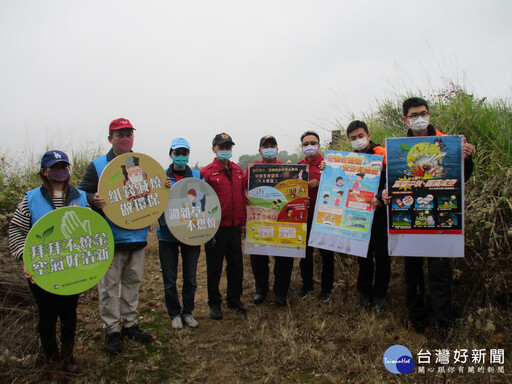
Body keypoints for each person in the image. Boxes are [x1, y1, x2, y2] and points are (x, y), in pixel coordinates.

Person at [399, 97, 474, 342]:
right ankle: (417, 315)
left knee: (439, 269)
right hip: (408, 216)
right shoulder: (397, 147)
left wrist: (465, 158)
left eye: (423, 113)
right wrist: (386, 195)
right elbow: (390, 180)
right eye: (413, 115)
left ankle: (443, 321)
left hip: (440, 216)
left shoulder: (448, 143)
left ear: (429, 115)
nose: (419, 118)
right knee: (412, 269)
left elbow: (461, 179)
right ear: (405, 119)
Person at [9, 150, 88, 380]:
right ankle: (52, 360)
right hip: (41, 270)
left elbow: (92, 230)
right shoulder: (31, 198)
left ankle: (68, 356)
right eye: (54, 166)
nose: (60, 170)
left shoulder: (79, 196)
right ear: (44, 171)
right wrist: (24, 259)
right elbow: (17, 230)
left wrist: (99, 259)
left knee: (69, 314)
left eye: (64, 166)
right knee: (47, 316)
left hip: (72, 268)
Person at [78, 118, 154, 354]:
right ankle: (112, 330)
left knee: (133, 282)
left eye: (128, 133)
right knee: (109, 287)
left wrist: (164, 185)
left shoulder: (144, 163)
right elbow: (81, 194)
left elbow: (154, 192)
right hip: (110, 238)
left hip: (138, 236)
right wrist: (93, 200)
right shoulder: (98, 165)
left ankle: (130, 324)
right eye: (120, 134)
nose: (125, 138)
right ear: (110, 138)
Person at [345, 120, 391, 311]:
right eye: (353, 138)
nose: (358, 140)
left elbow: (393, 179)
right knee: (362, 255)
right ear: (349, 140)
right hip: (359, 213)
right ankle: (364, 294)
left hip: (381, 213)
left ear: (368, 135)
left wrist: (380, 197)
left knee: (382, 256)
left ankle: (380, 295)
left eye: (360, 136)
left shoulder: (382, 154)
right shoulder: (349, 159)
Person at [201, 133, 247, 320]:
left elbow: (242, 197)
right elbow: (200, 203)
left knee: (236, 266)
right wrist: (207, 231)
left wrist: (243, 224)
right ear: (214, 149)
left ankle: (234, 299)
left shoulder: (238, 170)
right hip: (216, 229)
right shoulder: (206, 172)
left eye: (228, 147)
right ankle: (214, 303)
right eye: (222, 147)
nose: (226, 151)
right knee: (214, 268)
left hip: (235, 227)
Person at [244, 135, 295, 307]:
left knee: (284, 257)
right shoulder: (252, 168)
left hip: (281, 220)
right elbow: (243, 187)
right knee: (258, 257)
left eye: (272, 145)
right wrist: (246, 195)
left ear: (277, 149)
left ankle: (281, 293)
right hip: (260, 219)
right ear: (259, 151)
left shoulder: (287, 169)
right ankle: (261, 290)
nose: (269, 148)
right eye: (265, 146)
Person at [157, 137, 201, 329]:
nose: (181, 156)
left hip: (191, 234)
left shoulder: (198, 176)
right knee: (170, 279)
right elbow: (154, 205)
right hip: (167, 235)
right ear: (171, 154)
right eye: (177, 153)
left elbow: (204, 202)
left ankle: (188, 312)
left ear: (188, 155)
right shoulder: (161, 177)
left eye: (184, 153)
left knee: (190, 277)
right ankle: (174, 313)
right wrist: (163, 189)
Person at [298, 131, 335, 302]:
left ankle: (327, 289)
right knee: (305, 254)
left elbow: (338, 189)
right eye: (306, 144)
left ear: (319, 145)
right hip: (304, 217)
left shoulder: (328, 166)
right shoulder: (298, 167)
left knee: (326, 254)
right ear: (302, 147)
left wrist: (321, 185)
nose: (309, 146)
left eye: (313, 143)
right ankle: (307, 285)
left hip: (324, 217)